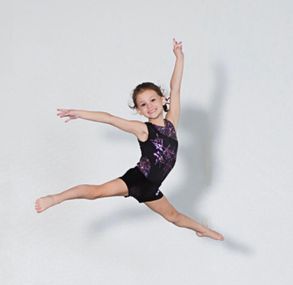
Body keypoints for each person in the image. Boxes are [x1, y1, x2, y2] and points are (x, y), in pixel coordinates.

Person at [35, 39, 224, 241]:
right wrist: (79, 113)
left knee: (174, 217)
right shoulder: (143, 130)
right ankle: (55, 198)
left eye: (152, 100)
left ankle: (203, 230)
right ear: (139, 110)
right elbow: (110, 119)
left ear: (162, 99)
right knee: (97, 192)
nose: (149, 106)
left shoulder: (172, 122)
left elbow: (175, 87)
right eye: (143, 104)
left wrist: (179, 58)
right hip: (136, 179)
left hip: (152, 188)